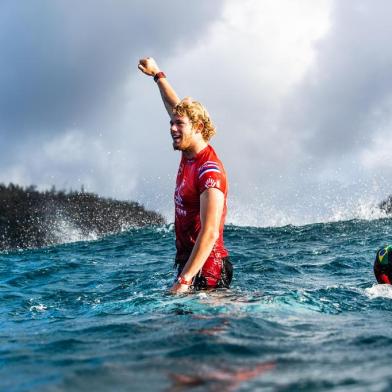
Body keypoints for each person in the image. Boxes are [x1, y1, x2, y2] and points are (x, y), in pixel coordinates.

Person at [138, 57, 232, 294]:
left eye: (179, 124)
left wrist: (184, 281)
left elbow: (209, 232)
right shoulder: (189, 152)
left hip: (208, 272)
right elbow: (174, 105)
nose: (172, 128)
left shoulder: (210, 171)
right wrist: (157, 74)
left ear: (198, 127)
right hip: (189, 265)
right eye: (171, 123)